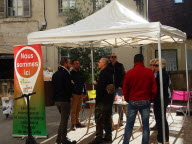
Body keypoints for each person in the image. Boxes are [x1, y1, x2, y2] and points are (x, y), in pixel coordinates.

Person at [122, 54, 157, 144]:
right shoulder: (149, 72)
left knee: (129, 124)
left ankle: (125, 142)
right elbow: (154, 88)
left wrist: (127, 99)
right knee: (145, 125)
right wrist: (151, 98)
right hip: (145, 100)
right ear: (143, 61)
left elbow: (125, 88)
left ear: (134, 62)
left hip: (133, 100)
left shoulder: (129, 73)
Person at [89, 58, 114, 144]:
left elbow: (102, 88)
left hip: (102, 100)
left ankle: (99, 137)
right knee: (107, 118)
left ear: (103, 64)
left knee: (99, 118)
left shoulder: (103, 73)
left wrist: (97, 98)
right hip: (109, 100)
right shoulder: (110, 72)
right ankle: (108, 136)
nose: (98, 63)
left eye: (99, 62)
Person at [52, 58, 76, 144]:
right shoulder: (66, 74)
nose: (70, 65)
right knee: (64, 121)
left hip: (57, 100)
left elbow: (54, 88)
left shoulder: (55, 74)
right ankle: (64, 140)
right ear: (65, 63)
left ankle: (59, 139)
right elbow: (68, 87)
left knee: (63, 120)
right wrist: (70, 95)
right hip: (64, 101)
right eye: (69, 63)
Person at [153, 59, 170, 144]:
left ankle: (163, 139)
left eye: (156, 65)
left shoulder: (162, 74)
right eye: (154, 65)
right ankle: (163, 138)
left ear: (162, 65)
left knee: (161, 119)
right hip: (159, 98)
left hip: (161, 99)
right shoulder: (159, 73)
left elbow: (159, 86)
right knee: (160, 119)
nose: (154, 67)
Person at [108, 53, 125, 125]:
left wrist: (121, 85)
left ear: (117, 58)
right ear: (110, 58)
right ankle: (110, 121)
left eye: (115, 57)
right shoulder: (108, 66)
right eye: (112, 57)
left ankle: (120, 120)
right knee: (109, 104)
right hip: (110, 88)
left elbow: (124, 76)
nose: (113, 58)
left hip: (118, 88)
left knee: (119, 104)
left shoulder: (120, 65)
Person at [70, 60, 86, 131]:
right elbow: (69, 85)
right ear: (73, 65)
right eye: (76, 64)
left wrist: (85, 92)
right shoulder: (70, 74)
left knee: (79, 109)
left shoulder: (81, 73)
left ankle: (77, 122)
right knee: (74, 109)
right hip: (74, 94)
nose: (78, 65)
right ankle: (73, 123)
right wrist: (70, 95)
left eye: (79, 63)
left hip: (80, 93)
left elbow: (83, 83)